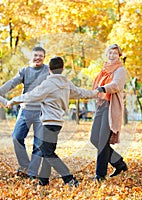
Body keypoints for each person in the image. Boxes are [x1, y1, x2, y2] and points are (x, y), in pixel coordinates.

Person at [7, 57, 98, 187]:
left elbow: (31, 95)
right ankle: (43, 181)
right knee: (47, 150)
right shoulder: (66, 83)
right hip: (58, 123)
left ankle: (69, 179)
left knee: (47, 151)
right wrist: (95, 93)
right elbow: (79, 92)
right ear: (62, 69)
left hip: (48, 122)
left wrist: (13, 100)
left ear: (49, 69)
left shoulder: (48, 84)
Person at [0, 46, 49, 179]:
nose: (38, 58)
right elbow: (12, 82)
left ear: (44, 57)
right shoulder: (25, 71)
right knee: (16, 137)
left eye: (40, 56)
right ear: (31, 56)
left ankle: (32, 173)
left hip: (41, 112)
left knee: (39, 143)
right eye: (35, 55)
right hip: (25, 110)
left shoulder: (48, 71)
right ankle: (25, 166)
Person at [90, 44, 128, 182]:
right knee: (94, 138)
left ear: (119, 55)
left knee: (102, 141)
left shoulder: (120, 70)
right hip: (101, 106)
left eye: (115, 53)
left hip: (110, 108)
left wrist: (101, 89)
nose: (112, 55)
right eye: (110, 53)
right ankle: (119, 163)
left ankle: (100, 175)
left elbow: (116, 85)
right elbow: (96, 86)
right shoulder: (104, 70)